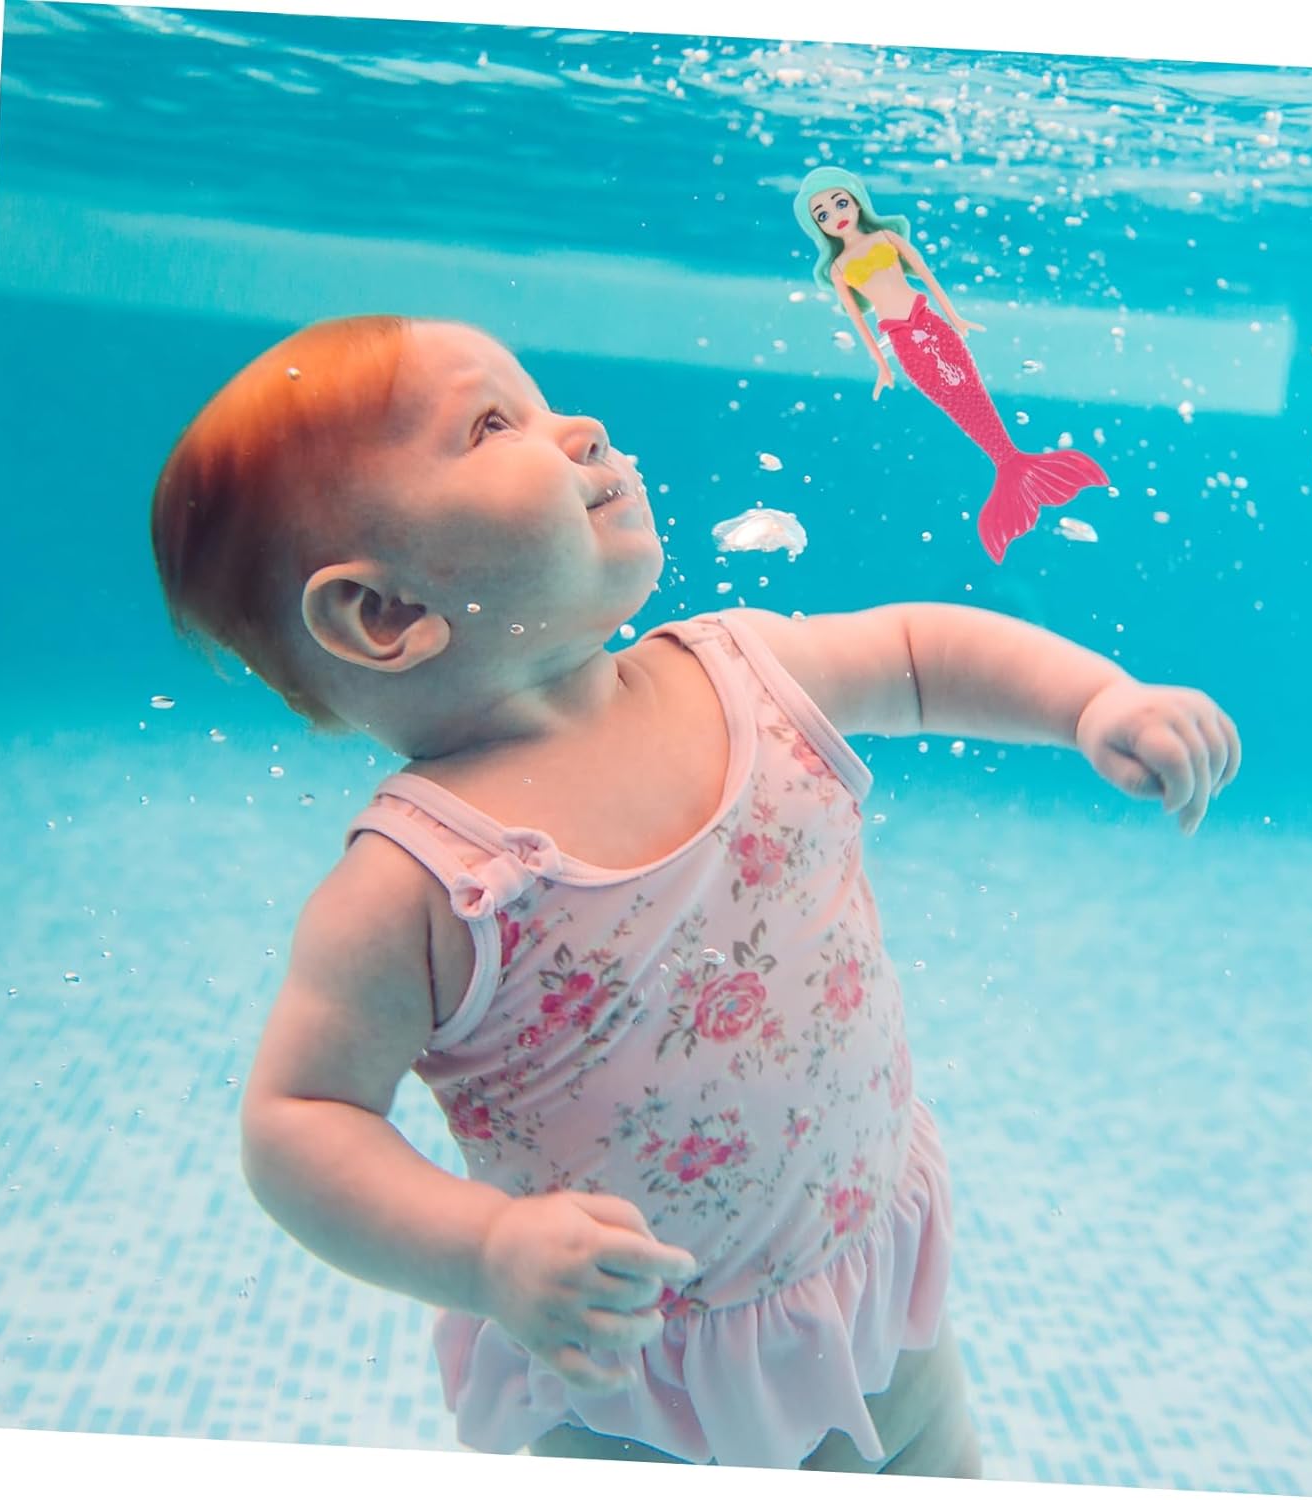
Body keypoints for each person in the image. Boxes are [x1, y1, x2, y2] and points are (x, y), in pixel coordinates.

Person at [149, 314, 1241, 1475]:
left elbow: (920, 656)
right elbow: (299, 1123)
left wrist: (1093, 703)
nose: (581, 428)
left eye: (542, 397)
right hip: (640, 1381)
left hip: (865, 1274)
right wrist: (487, 1251)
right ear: (387, 614)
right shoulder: (420, 885)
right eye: (493, 425)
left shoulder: (747, 672)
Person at [793, 166, 1109, 565]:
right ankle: (1010, 468)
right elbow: (859, 322)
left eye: (840, 202)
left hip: (931, 324)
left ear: (857, 202)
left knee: (971, 391)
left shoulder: (886, 237)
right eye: (822, 213)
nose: (835, 214)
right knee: (954, 402)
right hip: (903, 342)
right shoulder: (839, 269)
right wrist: (881, 365)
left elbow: (926, 276)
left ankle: (1013, 462)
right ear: (817, 227)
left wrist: (955, 316)